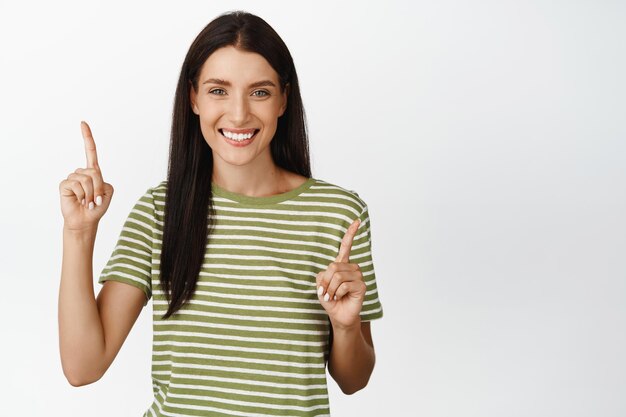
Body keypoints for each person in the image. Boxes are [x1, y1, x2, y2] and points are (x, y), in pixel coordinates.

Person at [58, 10, 383, 417]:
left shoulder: (338, 215)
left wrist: (346, 325)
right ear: (193, 97)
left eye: (260, 92)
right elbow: (83, 367)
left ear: (283, 98)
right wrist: (78, 233)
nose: (239, 114)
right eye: (218, 90)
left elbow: (355, 380)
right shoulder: (160, 211)